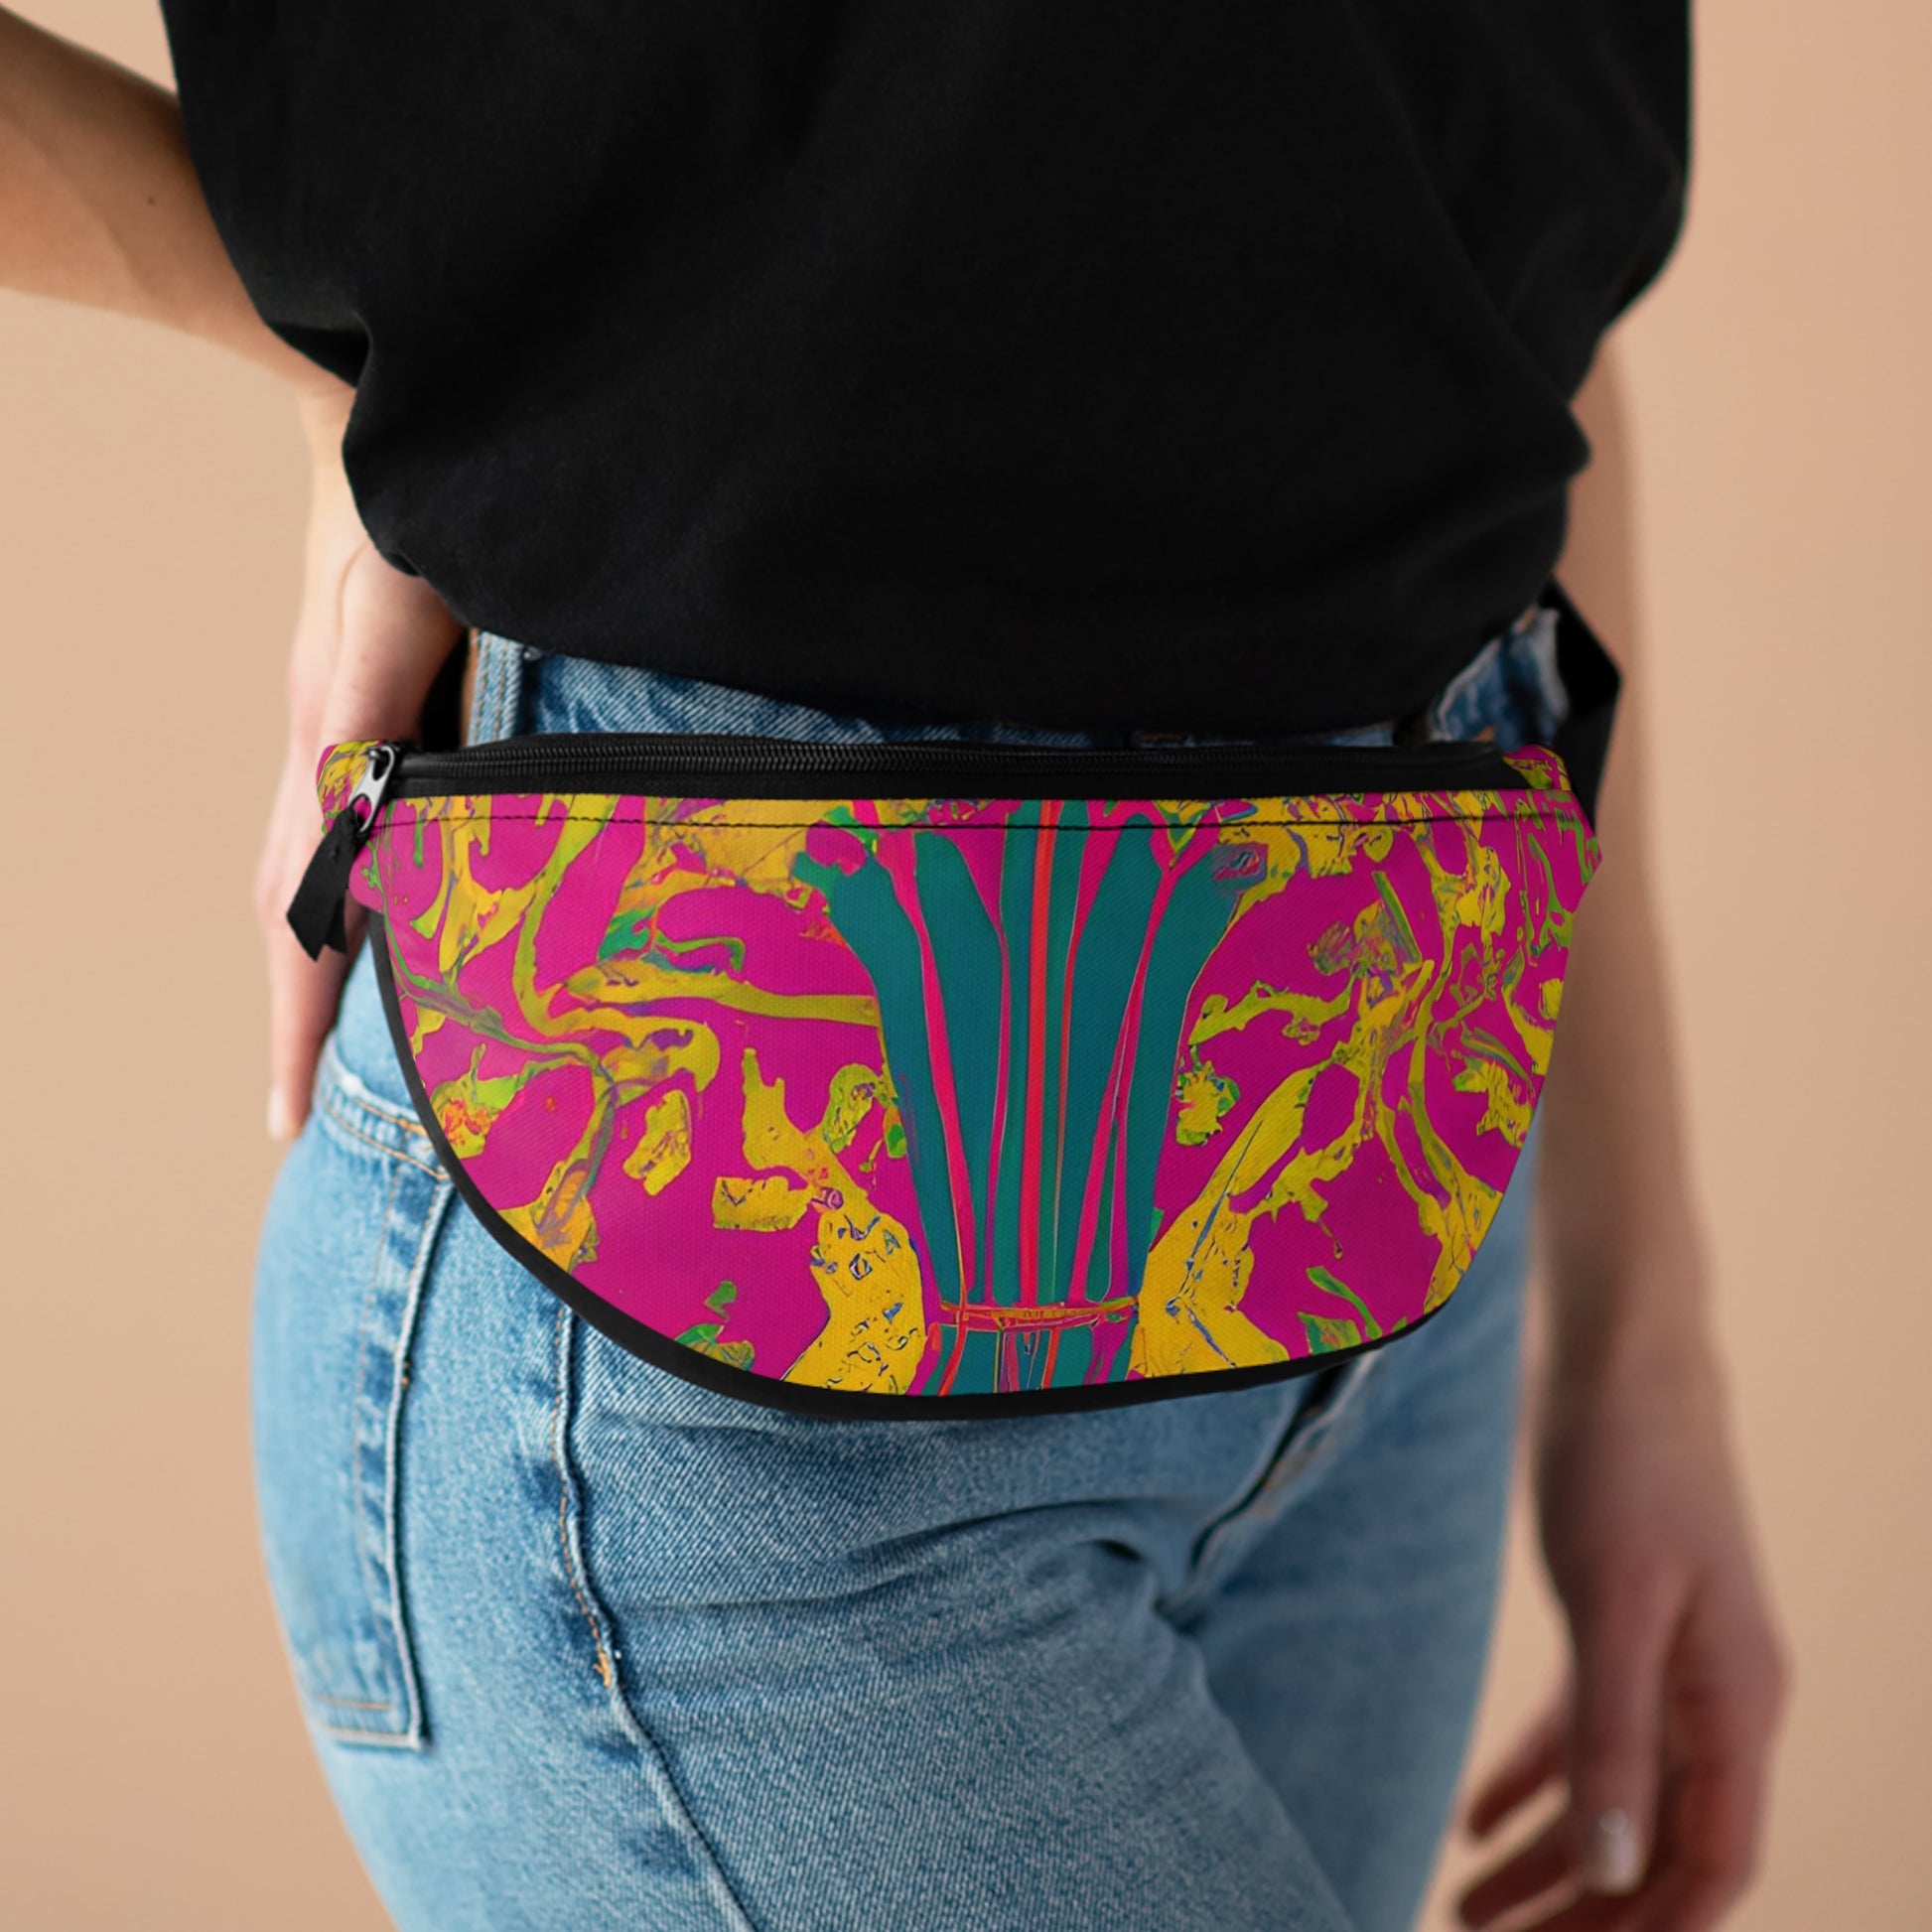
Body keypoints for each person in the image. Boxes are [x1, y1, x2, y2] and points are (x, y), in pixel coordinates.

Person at [1, 8, 1790, 1929]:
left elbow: (1502, 268)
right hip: (713, 1331)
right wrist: (345, 377)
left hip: (1394, 1176)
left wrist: (1641, 1327)